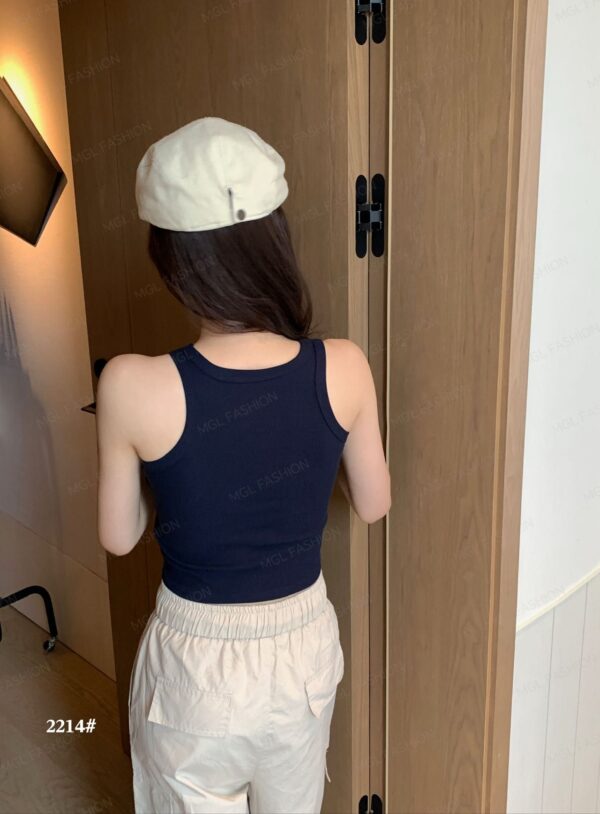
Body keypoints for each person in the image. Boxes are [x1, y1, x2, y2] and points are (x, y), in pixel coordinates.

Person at [95, 116, 391, 813]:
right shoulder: (344, 365)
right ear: (274, 237)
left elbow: (119, 535)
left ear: (171, 259)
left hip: (193, 666)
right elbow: (374, 503)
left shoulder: (130, 383)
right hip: (302, 651)